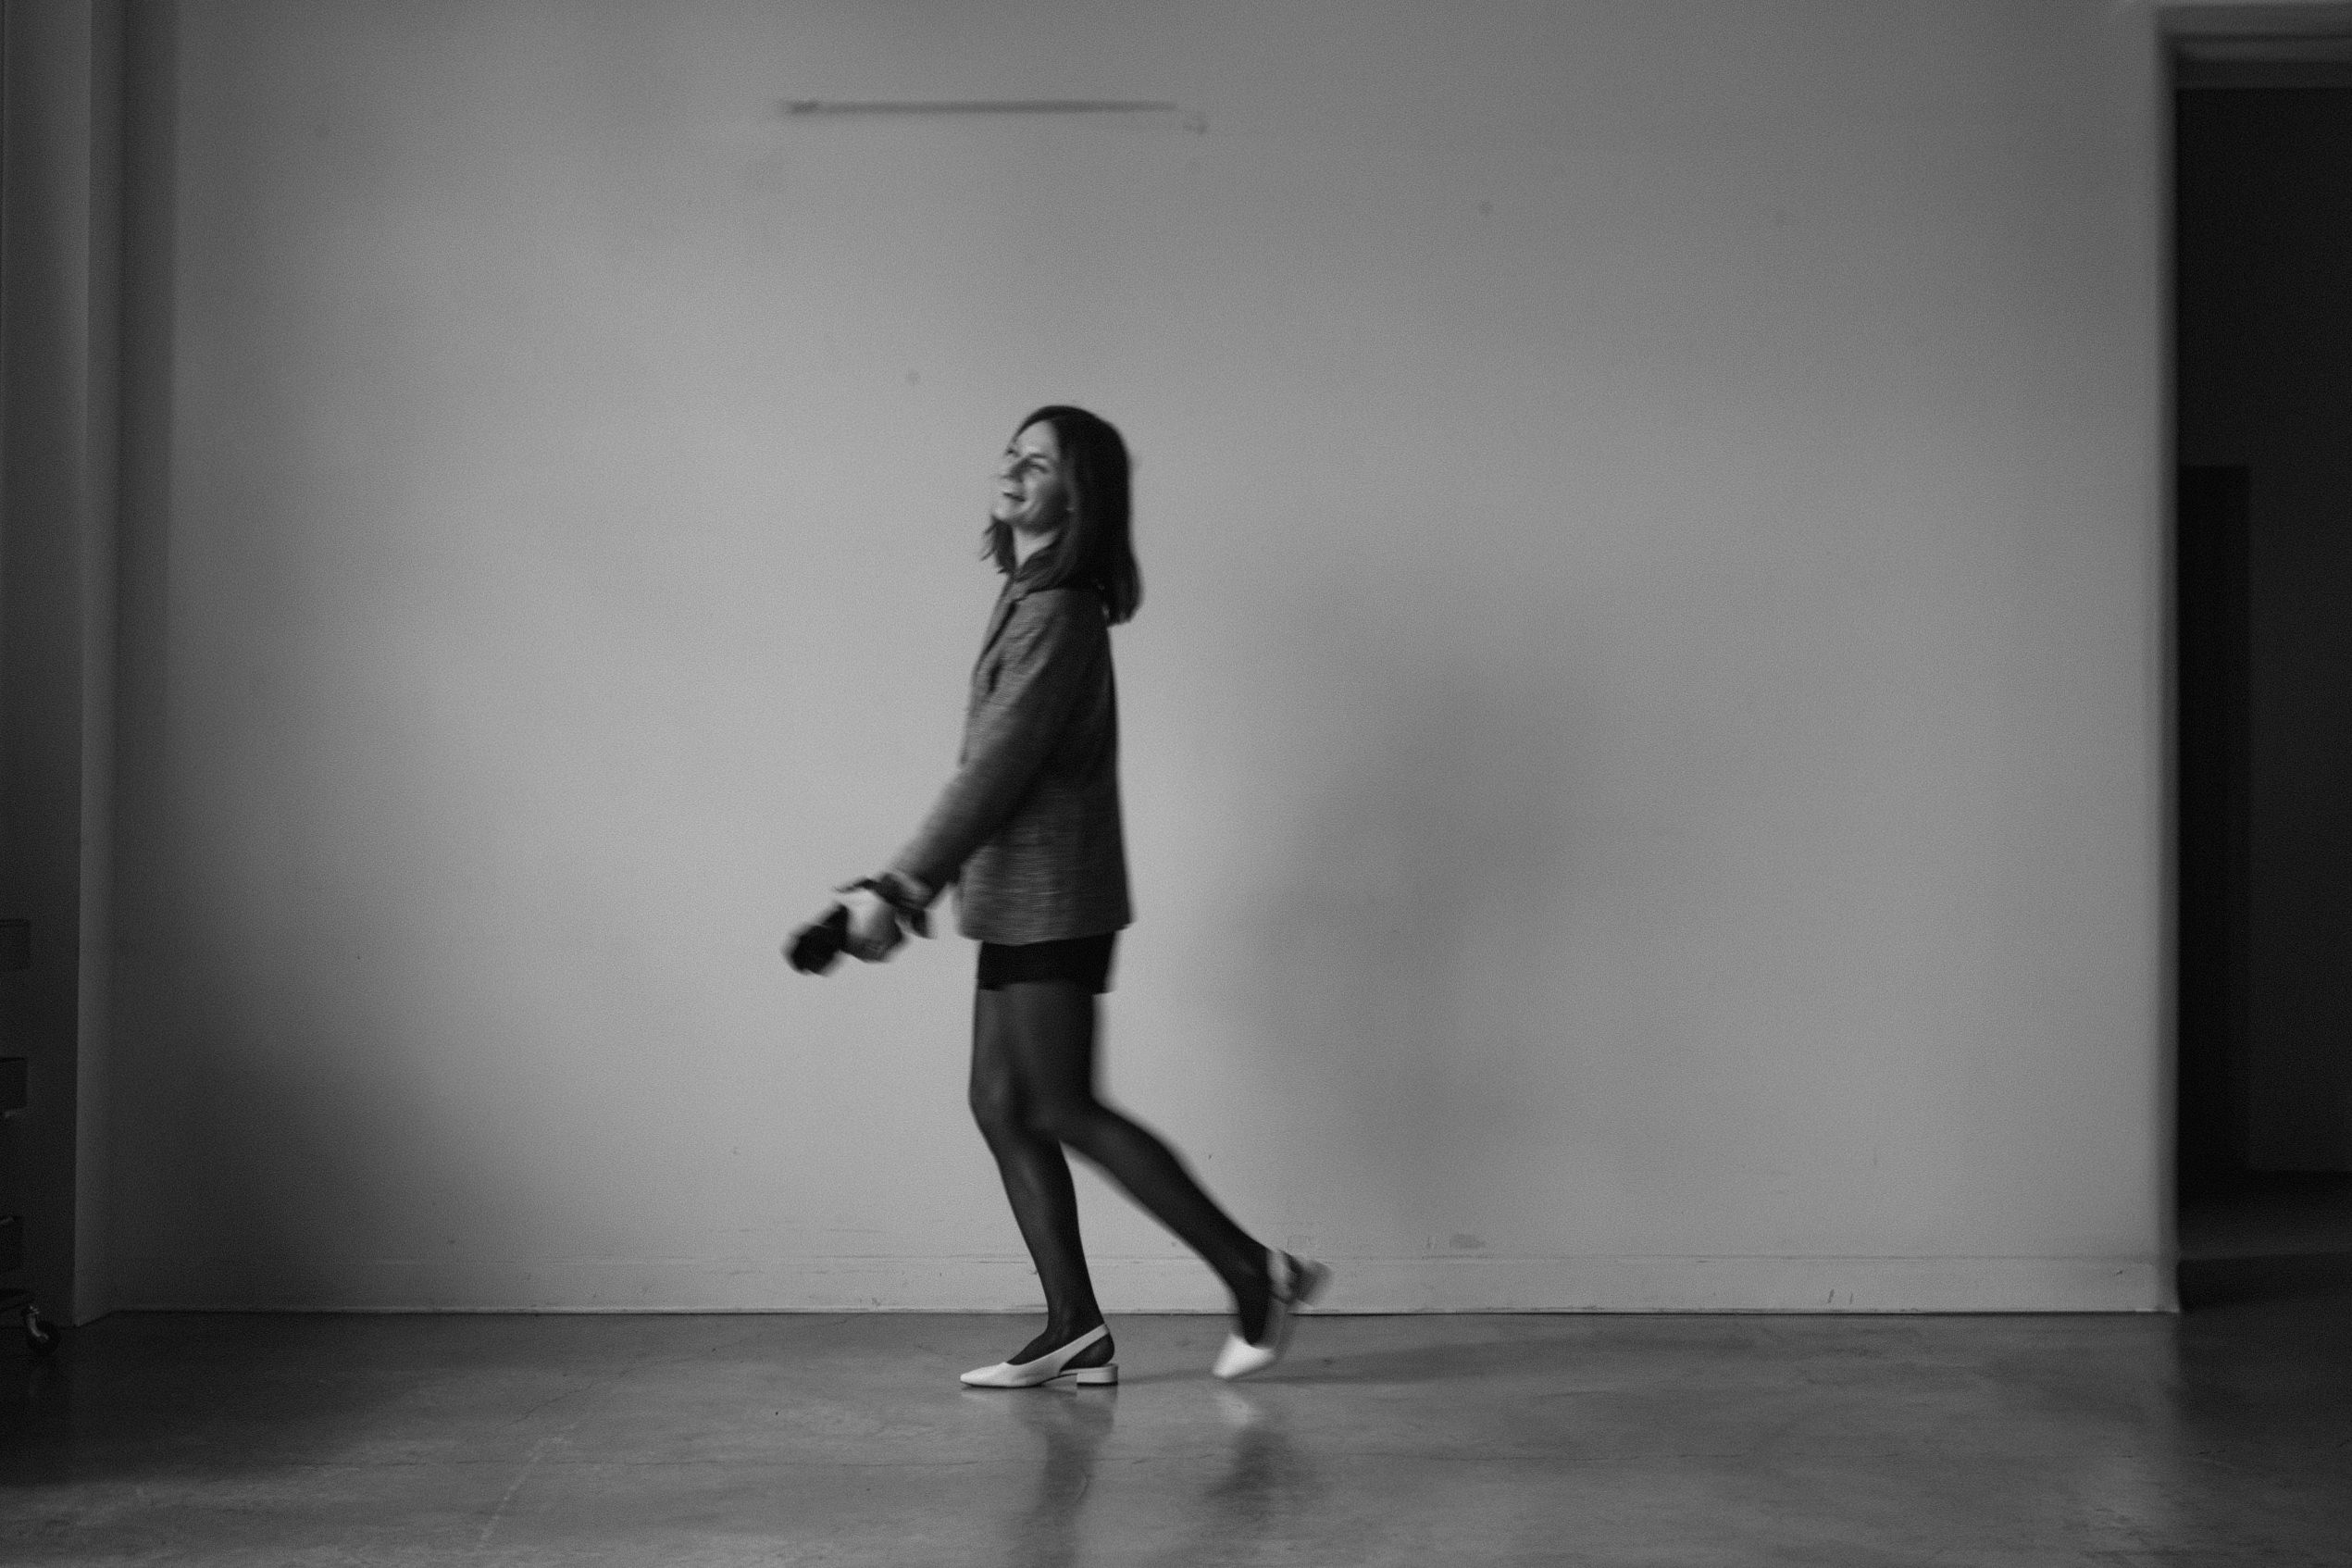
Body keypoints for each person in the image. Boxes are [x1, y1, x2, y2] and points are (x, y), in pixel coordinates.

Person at [822, 404, 1325, 1388]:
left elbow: (994, 769)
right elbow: (995, 772)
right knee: (999, 1101)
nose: (1013, 469)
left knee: (1058, 1102)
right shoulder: (1027, 593)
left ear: (1079, 494)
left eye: (1040, 462)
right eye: (1012, 452)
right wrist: (913, 887)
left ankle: (1254, 1272)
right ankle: (1075, 1327)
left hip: (1056, 898)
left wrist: (900, 884)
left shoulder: (1058, 612)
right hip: (1021, 895)